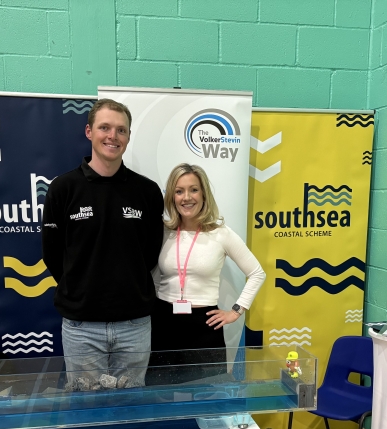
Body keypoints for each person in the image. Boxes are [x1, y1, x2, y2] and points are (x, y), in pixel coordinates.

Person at [41, 99, 163, 389]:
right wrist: (83, 287)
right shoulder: (63, 188)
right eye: (104, 128)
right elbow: (53, 255)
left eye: (121, 130)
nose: (113, 136)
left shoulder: (146, 191)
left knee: (131, 409)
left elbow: (150, 253)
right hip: (81, 327)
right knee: (88, 412)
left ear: (128, 137)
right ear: (89, 132)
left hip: (134, 325)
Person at [149, 163, 266, 384]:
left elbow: (257, 273)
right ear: (172, 197)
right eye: (179, 191)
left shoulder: (220, 234)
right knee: (159, 396)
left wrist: (235, 311)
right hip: (164, 323)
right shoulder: (163, 232)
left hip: (204, 327)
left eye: (193, 189)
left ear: (204, 194)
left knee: (207, 399)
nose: (187, 197)